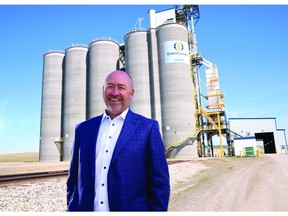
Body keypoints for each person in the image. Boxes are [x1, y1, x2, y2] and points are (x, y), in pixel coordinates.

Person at [67, 70, 170, 211]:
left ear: (131, 94)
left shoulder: (148, 128)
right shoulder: (83, 129)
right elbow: (73, 180)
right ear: (103, 90)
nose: (115, 93)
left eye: (121, 87)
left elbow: (160, 183)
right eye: (110, 86)